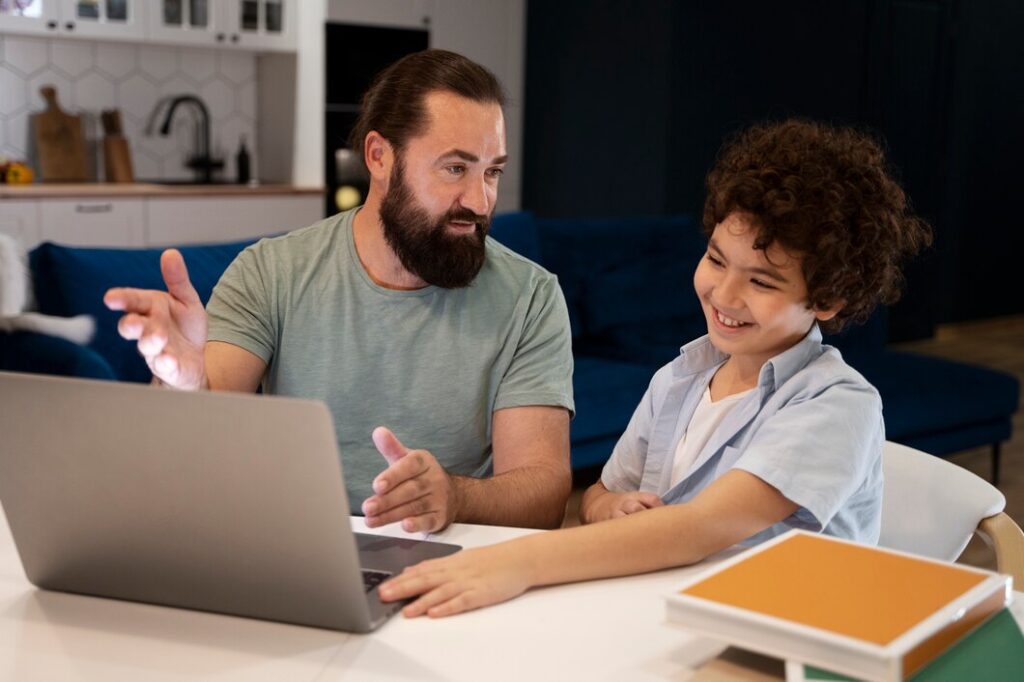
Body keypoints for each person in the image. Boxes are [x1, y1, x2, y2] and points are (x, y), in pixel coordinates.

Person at [377, 118, 932, 617]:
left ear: (827, 300)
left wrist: (519, 560)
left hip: (789, 637)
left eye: (762, 281)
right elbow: (597, 495)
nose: (725, 293)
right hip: (672, 614)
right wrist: (610, 506)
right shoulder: (679, 379)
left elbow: (700, 528)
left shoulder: (836, 406)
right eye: (716, 259)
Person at [103, 50, 575, 532]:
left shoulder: (531, 298)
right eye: (455, 168)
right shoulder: (271, 272)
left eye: (491, 172)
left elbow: (544, 493)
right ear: (379, 157)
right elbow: (196, 435)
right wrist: (184, 386)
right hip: (297, 545)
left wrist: (454, 496)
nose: (479, 201)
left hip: (447, 557)